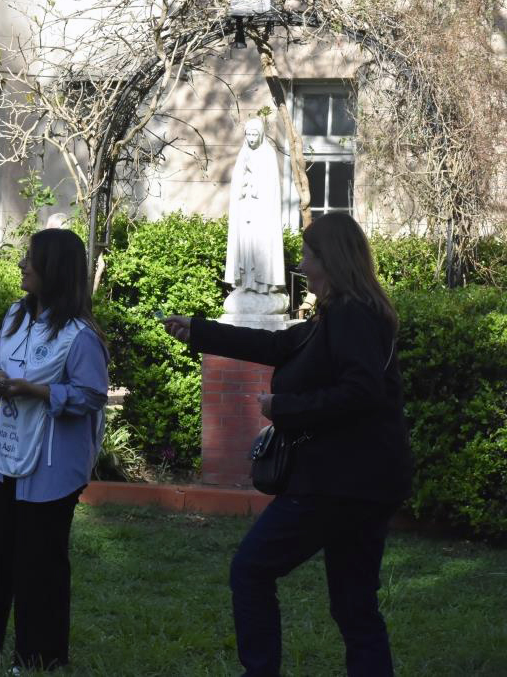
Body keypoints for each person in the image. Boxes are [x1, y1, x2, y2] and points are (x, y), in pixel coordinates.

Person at [163, 212, 412, 677]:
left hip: (338, 482)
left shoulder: (352, 316)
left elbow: (362, 392)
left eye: (306, 255)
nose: (301, 264)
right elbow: (277, 347)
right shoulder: (336, 316)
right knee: (355, 607)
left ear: (330, 261)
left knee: (252, 570)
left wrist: (284, 407)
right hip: (361, 482)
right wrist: (198, 330)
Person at [0, 228, 109, 672]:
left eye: (30, 259)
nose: (22, 265)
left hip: (51, 468)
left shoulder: (80, 335)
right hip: (6, 456)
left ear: (55, 269)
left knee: (39, 563)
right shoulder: (15, 314)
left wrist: (37, 390)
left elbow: (91, 395)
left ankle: (39, 657)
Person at [225, 117, 286, 295]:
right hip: (245, 210)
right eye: (249, 134)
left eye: (254, 134)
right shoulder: (242, 154)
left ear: (261, 135)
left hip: (262, 212)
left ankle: (262, 285)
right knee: (245, 247)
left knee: (260, 247)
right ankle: (245, 284)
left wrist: (255, 178)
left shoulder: (268, 154)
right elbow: (236, 183)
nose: (251, 138)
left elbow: (271, 187)